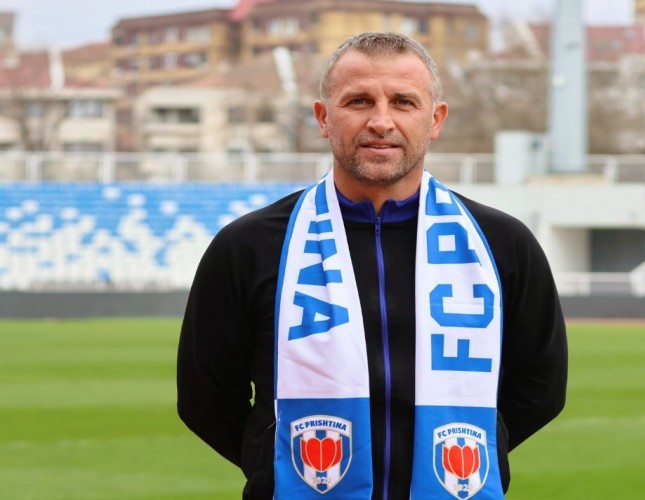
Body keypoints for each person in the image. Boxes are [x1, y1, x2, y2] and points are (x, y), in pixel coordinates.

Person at [177, 32, 567, 500]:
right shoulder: (248, 245)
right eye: (359, 101)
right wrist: (275, 462)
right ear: (324, 118)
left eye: (403, 102)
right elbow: (205, 397)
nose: (381, 121)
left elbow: (540, 388)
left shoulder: (502, 244)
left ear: (435, 120)